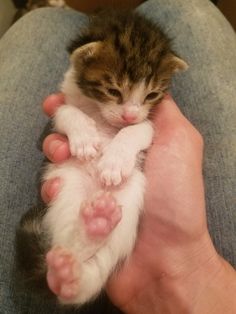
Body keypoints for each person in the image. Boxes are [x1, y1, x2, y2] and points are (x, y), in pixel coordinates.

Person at [0, 0, 235, 313]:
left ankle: (84, 278)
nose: (132, 113)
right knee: (67, 188)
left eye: (150, 96)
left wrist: (125, 144)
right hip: (78, 173)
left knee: (132, 197)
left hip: (121, 183)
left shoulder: (135, 121)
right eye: (115, 92)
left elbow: (144, 131)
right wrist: (77, 125)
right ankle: (71, 266)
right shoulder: (83, 71)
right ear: (83, 61)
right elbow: (65, 112)